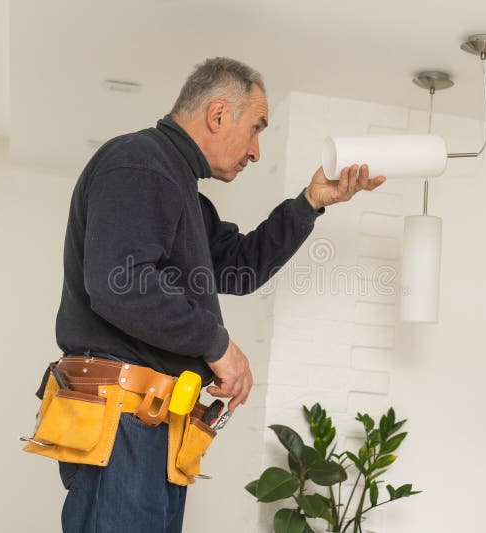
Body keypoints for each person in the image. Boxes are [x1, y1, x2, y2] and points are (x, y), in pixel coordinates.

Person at [53, 57, 385, 532]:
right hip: (124, 420)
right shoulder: (140, 163)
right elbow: (119, 285)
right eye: (255, 129)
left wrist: (311, 202)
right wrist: (218, 345)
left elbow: (242, 267)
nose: (256, 151)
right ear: (217, 114)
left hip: (148, 424)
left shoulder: (180, 188)